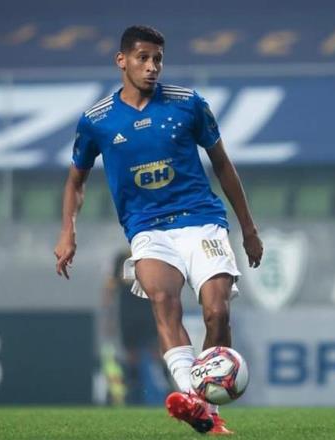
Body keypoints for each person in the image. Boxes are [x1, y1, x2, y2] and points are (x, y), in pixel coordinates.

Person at [54, 25, 263, 435]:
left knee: (217, 312)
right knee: (164, 301)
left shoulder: (188, 104)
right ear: (122, 61)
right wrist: (68, 232)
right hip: (147, 228)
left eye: (158, 59)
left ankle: (199, 401)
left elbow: (223, 164)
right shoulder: (97, 120)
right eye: (143, 58)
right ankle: (200, 408)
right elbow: (76, 181)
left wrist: (249, 229)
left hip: (201, 219)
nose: (152, 67)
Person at [101, 249, 167, 405]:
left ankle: (159, 399)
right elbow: (109, 289)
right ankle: (132, 400)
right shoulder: (121, 259)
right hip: (128, 322)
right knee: (132, 364)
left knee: (153, 363)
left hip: (148, 321)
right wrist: (108, 319)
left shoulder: (149, 257)